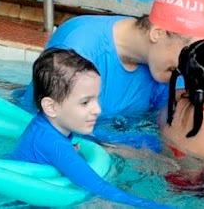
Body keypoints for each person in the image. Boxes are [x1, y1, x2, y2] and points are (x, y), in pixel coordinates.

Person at [18, 0, 204, 137]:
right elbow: (51, 128)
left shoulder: (168, 66)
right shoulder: (79, 47)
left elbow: (177, 125)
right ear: (157, 33)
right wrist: (126, 146)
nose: (189, 66)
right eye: (189, 54)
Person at [12, 48, 169, 208]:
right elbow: (101, 189)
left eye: (96, 99)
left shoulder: (49, 127)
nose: (97, 109)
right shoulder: (54, 145)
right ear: (51, 107)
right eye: (85, 102)